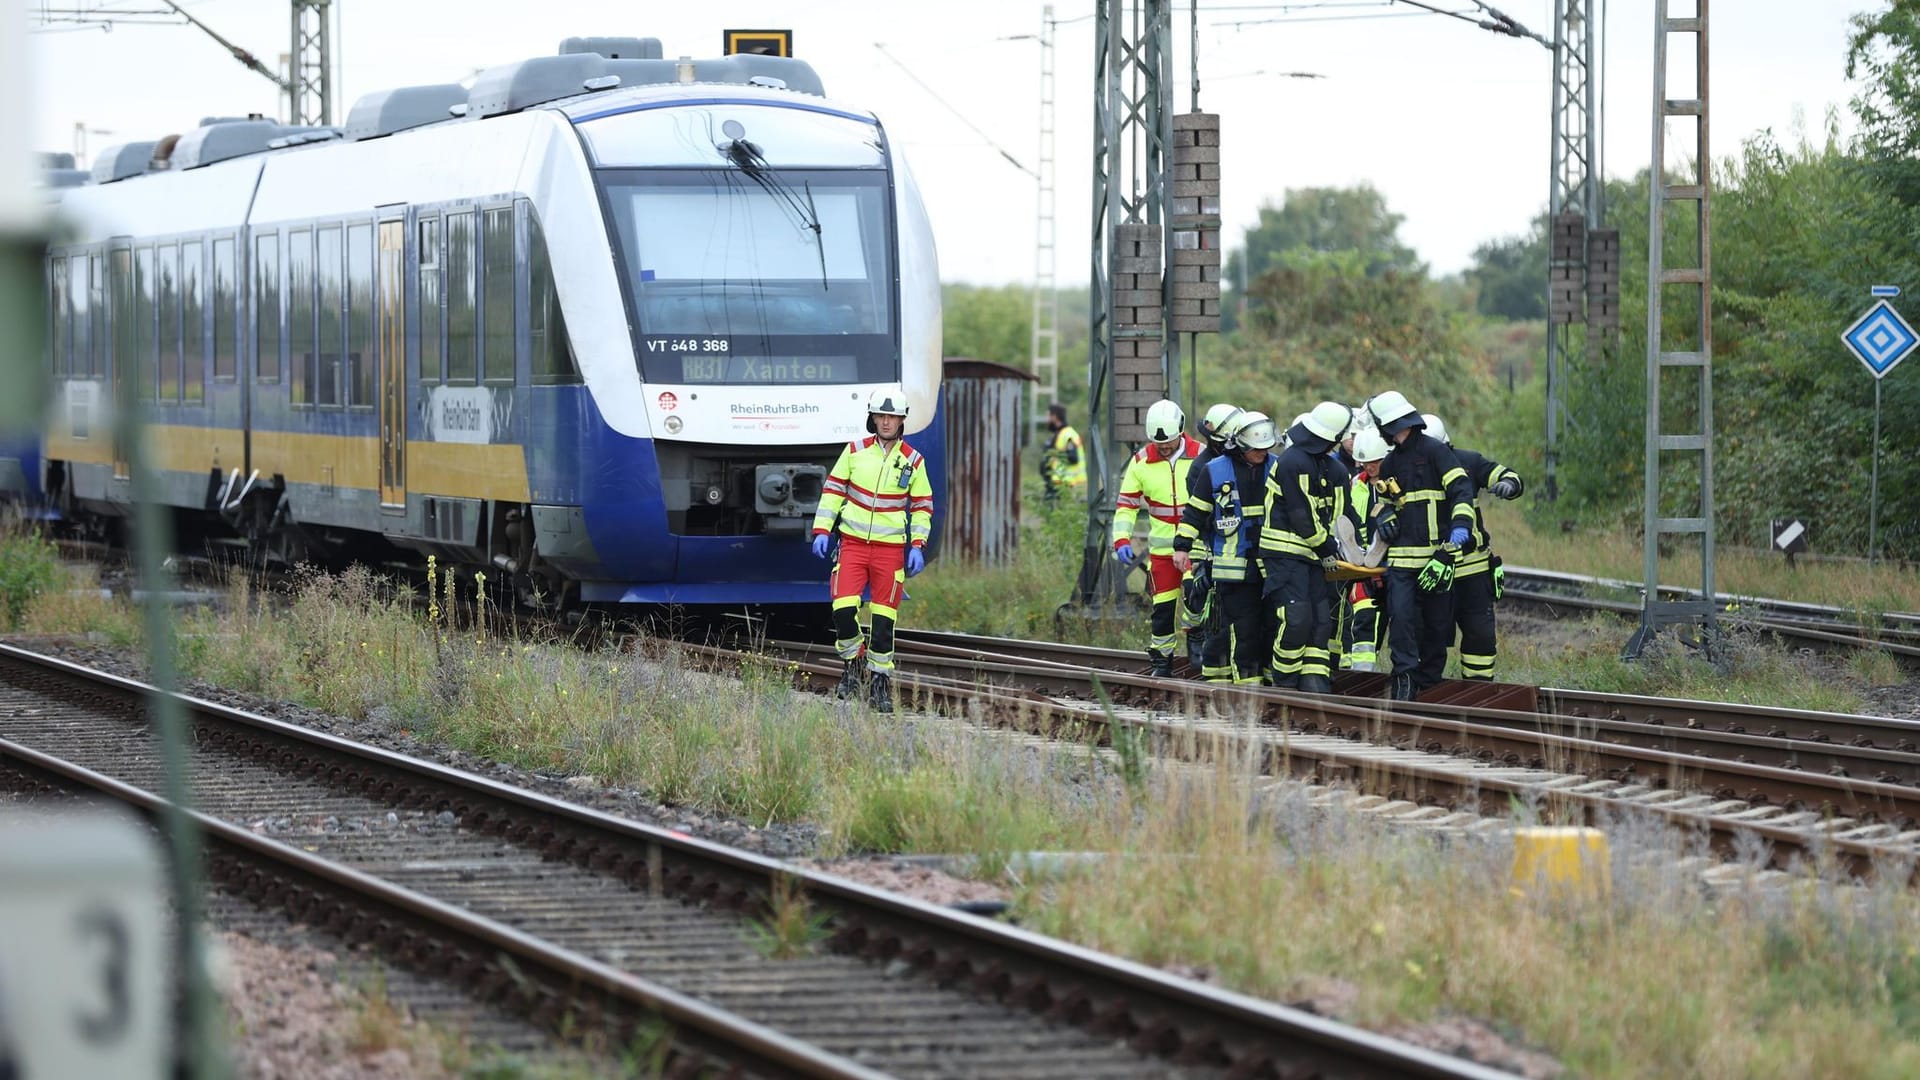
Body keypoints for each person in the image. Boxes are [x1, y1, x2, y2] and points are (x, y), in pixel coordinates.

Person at [810, 389, 935, 714]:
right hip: (851, 546)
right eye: (881, 415)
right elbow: (833, 491)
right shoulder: (853, 452)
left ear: (902, 420)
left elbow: (922, 506)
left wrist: (918, 545)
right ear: (873, 418)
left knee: (883, 622)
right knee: (842, 610)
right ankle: (853, 664)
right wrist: (822, 530)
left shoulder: (913, 461)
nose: (886, 421)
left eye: (892, 417)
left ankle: (879, 683)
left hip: (890, 552)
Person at [1364, 392, 1476, 701]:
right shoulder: (1389, 464)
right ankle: (1404, 680)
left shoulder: (1438, 453)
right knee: (1401, 620)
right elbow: (1381, 505)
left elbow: (1461, 492)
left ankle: (1430, 682)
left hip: (1436, 559)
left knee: (1438, 624)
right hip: (1401, 562)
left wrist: (1458, 534)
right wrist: (1383, 515)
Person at [1176, 410, 1279, 684]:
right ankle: (1247, 691)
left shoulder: (1278, 467)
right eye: (1256, 448)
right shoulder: (1214, 470)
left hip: (1272, 566)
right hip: (1234, 569)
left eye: (1266, 448)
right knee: (1243, 630)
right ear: (1241, 445)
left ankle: (1269, 685)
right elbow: (1195, 512)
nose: (1262, 453)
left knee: (1272, 626)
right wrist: (1182, 546)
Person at [1420, 413, 1524, 681]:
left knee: (1480, 635)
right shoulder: (1412, 469)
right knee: (1430, 636)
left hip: (1473, 570)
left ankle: (1478, 689)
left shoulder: (1468, 462)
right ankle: (1427, 691)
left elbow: (1506, 474)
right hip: (1432, 570)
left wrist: (1508, 485)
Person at [1260, 401, 1353, 693]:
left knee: (1320, 621)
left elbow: (1342, 514)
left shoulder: (1335, 469)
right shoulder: (1292, 462)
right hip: (1285, 554)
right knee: (1296, 617)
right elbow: (1301, 514)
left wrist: (1347, 548)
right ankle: (1284, 683)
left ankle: (1313, 680)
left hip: (1315, 557)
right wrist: (1329, 546)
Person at [1112, 399, 1205, 677]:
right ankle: (1162, 663)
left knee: (1197, 601)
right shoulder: (1141, 462)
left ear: (1181, 430)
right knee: (1162, 611)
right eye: (1159, 444)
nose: (1164, 448)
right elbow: (1126, 506)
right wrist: (1121, 540)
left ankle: (1198, 647)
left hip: (1196, 550)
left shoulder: (1202, 455)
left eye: (1170, 443)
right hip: (1162, 554)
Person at [1181, 402, 1245, 679]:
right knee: (1202, 597)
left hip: (1243, 547)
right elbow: (1201, 517)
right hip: (1210, 546)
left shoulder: (1250, 461)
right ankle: (1197, 636)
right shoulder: (1202, 468)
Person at [1337, 426, 1392, 672]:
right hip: (1361, 564)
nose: (1369, 467)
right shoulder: (1354, 485)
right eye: (1365, 463)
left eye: (1375, 462)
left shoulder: (1397, 485)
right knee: (1363, 616)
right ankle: (1362, 673)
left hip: (1394, 563)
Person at [1039, 403, 1086, 505]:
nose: (1047, 419)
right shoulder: (1060, 433)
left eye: (1048, 416)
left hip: (1063, 484)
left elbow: (1073, 457)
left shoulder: (1067, 434)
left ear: (1055, 416)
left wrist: (1056, 454)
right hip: (1056, 483)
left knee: (1056, 511)